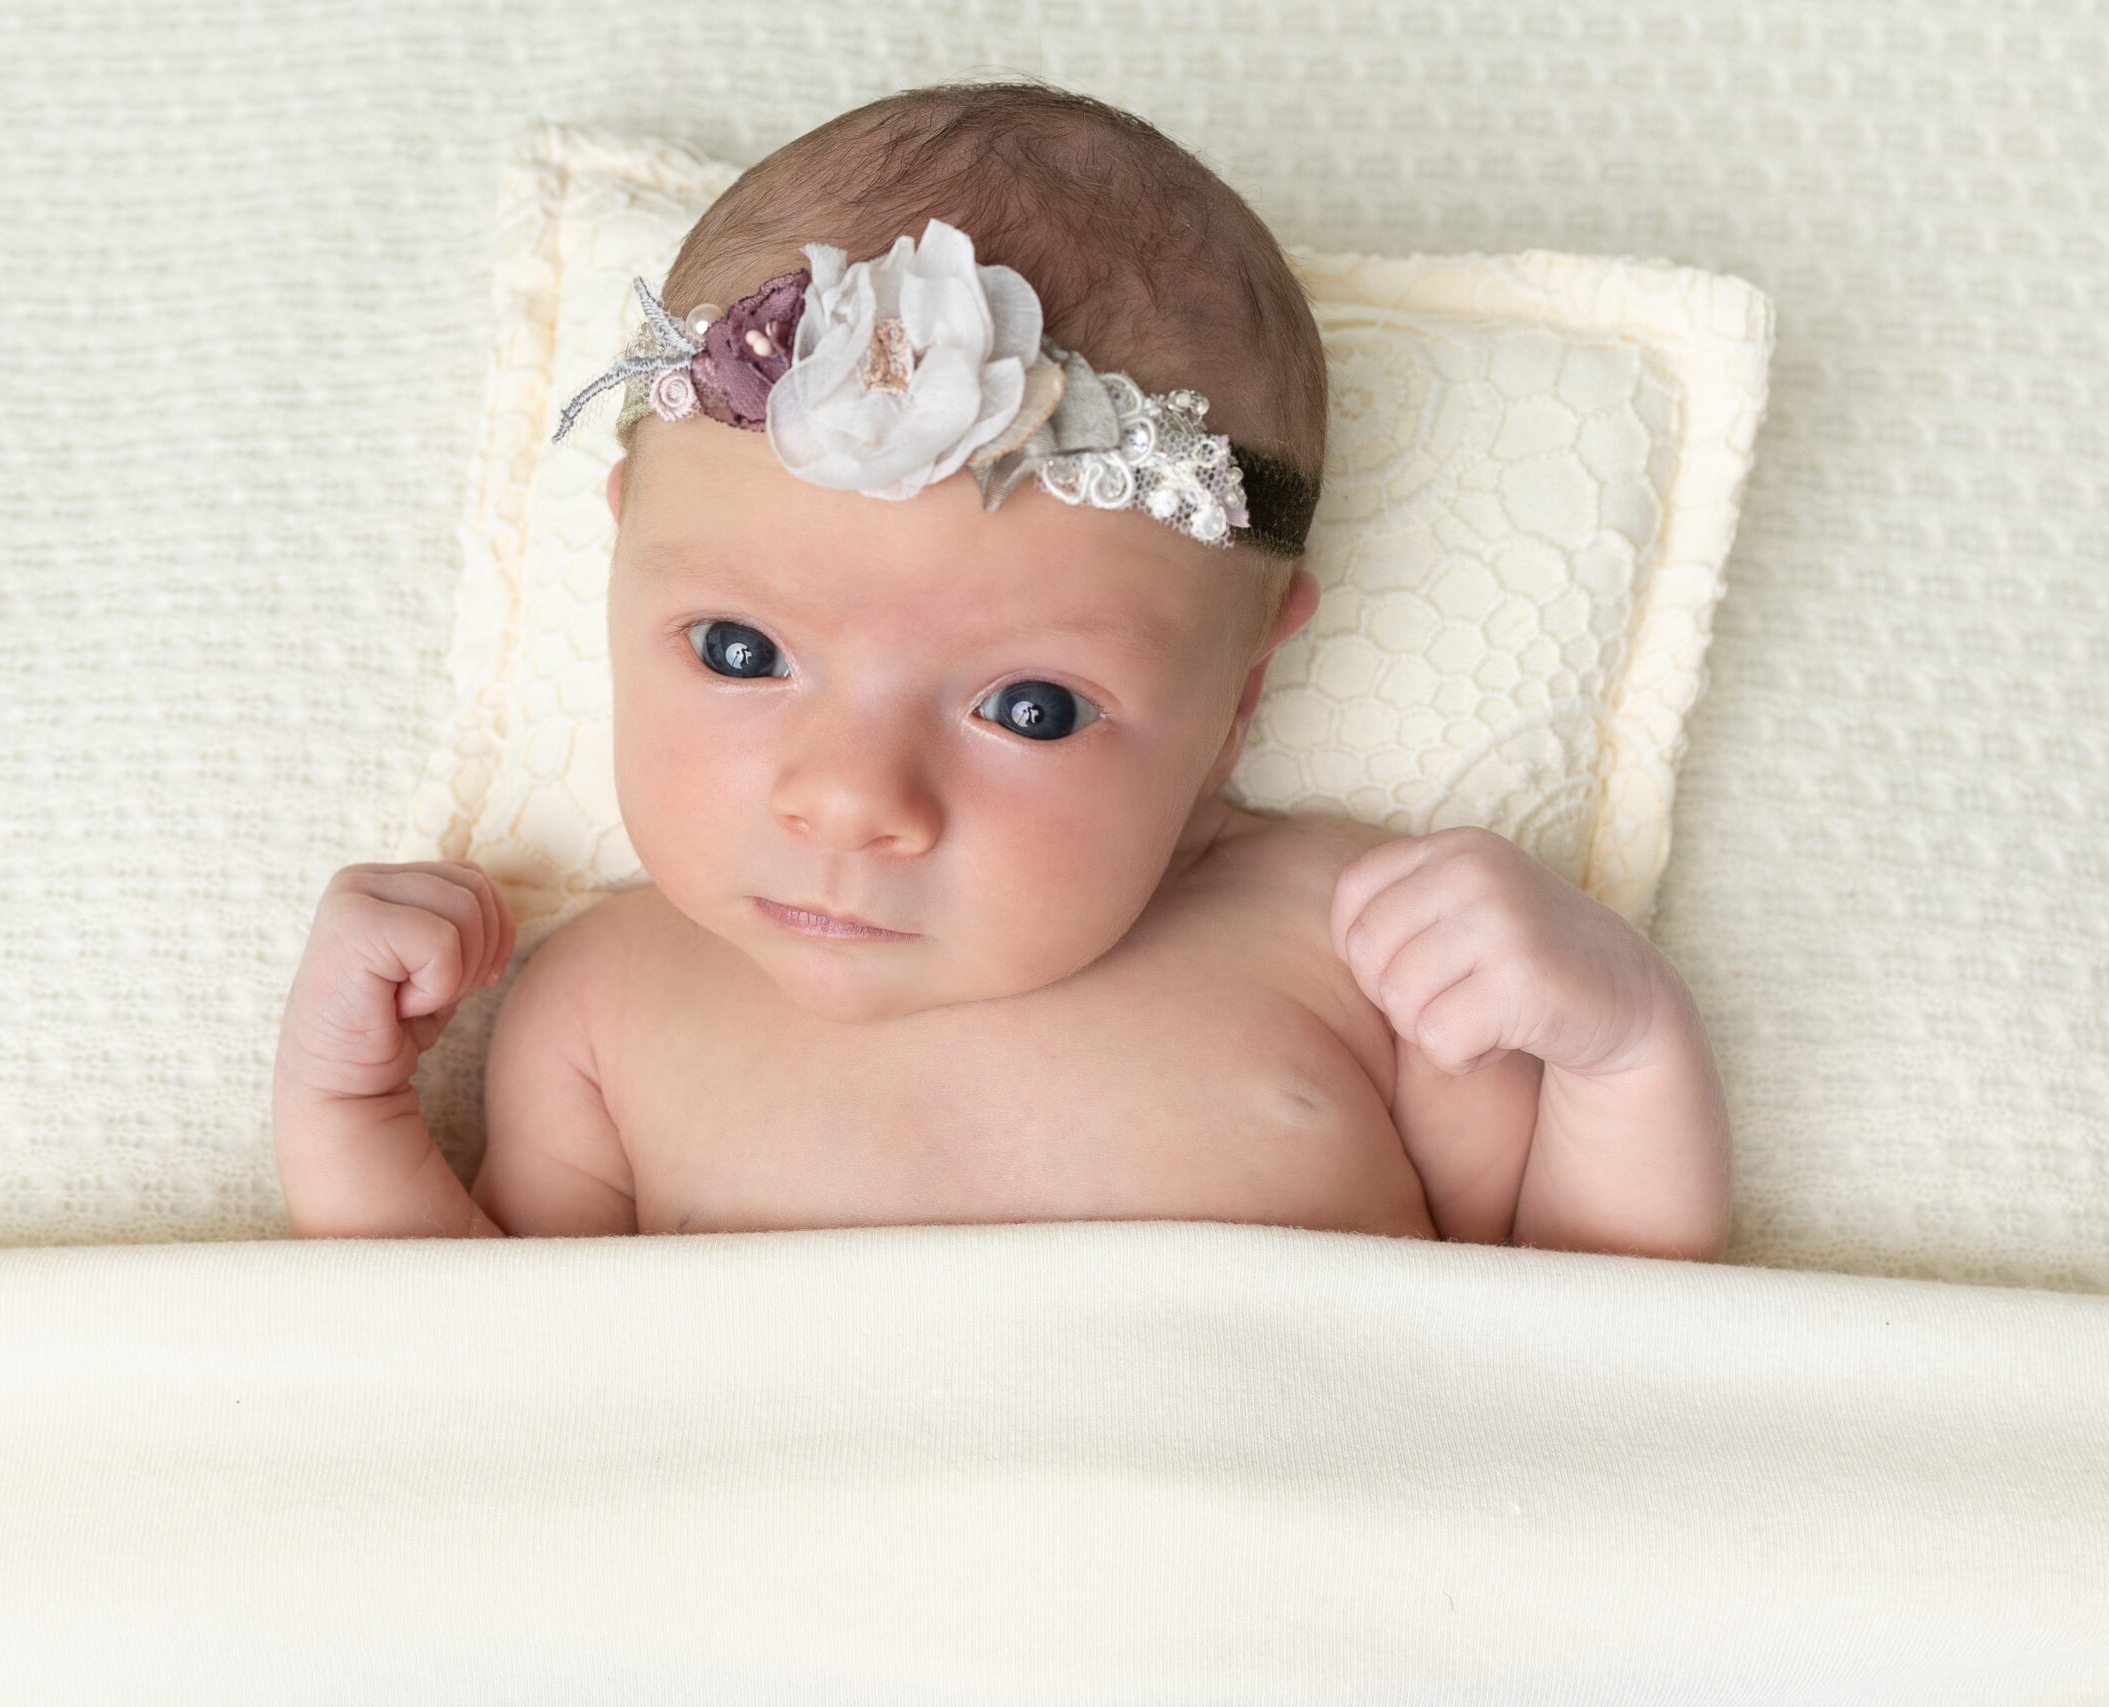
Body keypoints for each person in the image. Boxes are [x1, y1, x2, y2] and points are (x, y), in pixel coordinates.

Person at [273, 80, 1731, 1256]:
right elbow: (500, 1406)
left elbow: (1584, 1359)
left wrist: (1624, 1049)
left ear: (1236, 702)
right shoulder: (601, 1012)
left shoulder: (1357, 953)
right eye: (740, 650)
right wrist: (351, 1118)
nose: (852, 802)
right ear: (617, 577)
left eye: (1029, 709)